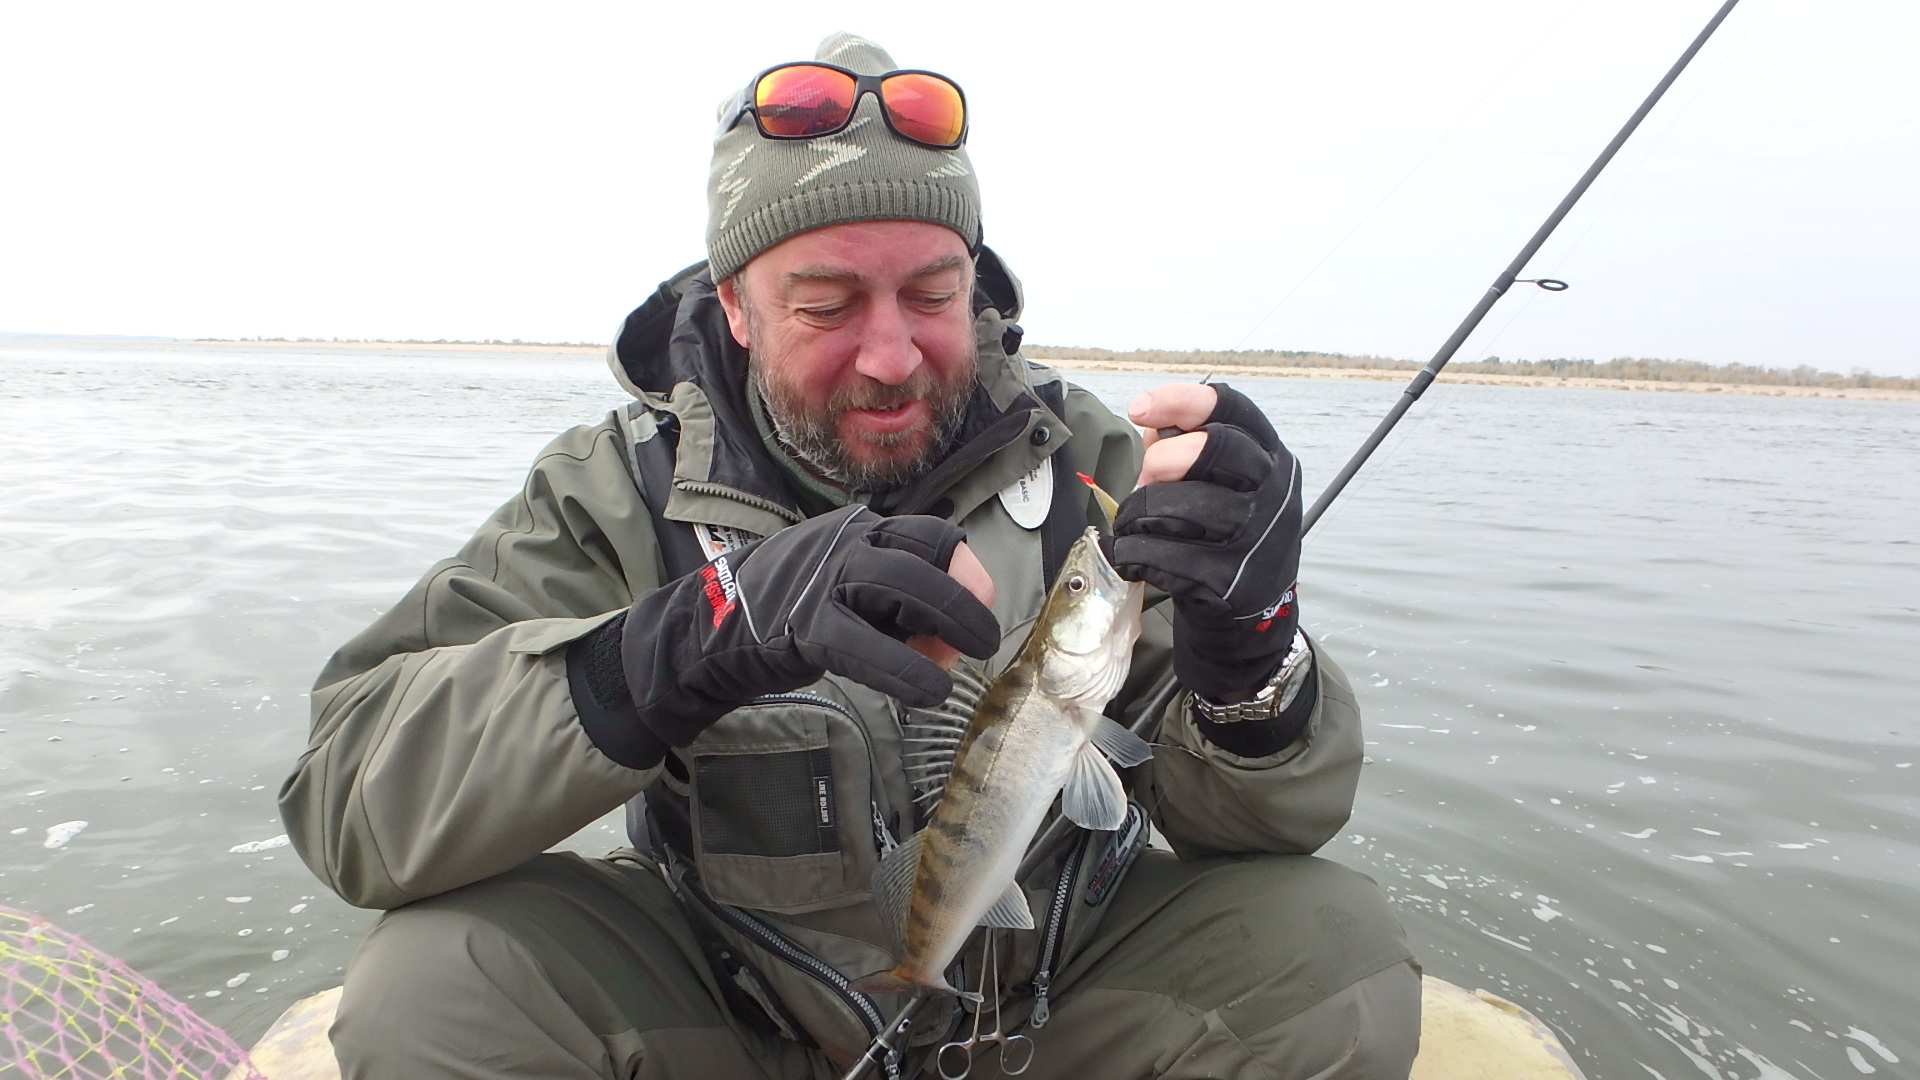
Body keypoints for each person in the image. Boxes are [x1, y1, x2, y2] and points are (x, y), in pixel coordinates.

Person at [281, 32, 1420, 1080]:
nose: (891, 356)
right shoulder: (612, 491)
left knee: (1334, 958)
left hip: (1043, 1001)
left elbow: (1265, 828)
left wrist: (1253, 660)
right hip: (727, 1008)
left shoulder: (1093, 470)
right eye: (826, 305)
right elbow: (348, 805)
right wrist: (682, 643)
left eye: (933, 295)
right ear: (736, 307)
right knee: (435, 988)